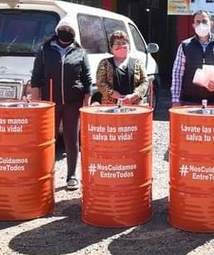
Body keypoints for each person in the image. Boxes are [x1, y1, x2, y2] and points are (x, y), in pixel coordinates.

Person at [29, 17, 92, 191]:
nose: (66, 32)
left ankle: (71, 176)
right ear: (57, 31)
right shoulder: (45, 50)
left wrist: (86, 104)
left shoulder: (80, 53)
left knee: (72, 140)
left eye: (69, 30)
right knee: (48, 140)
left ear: (73, 33)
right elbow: (36, 77)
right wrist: (36, 103)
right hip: (50, 103)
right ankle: (45, 175)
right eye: (63, 29)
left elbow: (87, 81)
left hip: (73, 103)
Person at [171, 10, 214, 106]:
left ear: (211, 24)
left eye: (204, 21)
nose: (201, 24)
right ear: (193, 25)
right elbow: (177, 74)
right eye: (198, 22)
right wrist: (175, 100)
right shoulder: (185, 46)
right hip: (188, 101)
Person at [96, 30, 148, 105]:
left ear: (129, 46)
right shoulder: (104, 63)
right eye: (118, 43)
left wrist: (133, 96)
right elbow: (101, 83)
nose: (121, 46)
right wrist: (114, 94)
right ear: (111, 47)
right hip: (111, 108)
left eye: (124, 43)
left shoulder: (138, 63)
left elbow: (144, 82)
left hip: (134, 107)